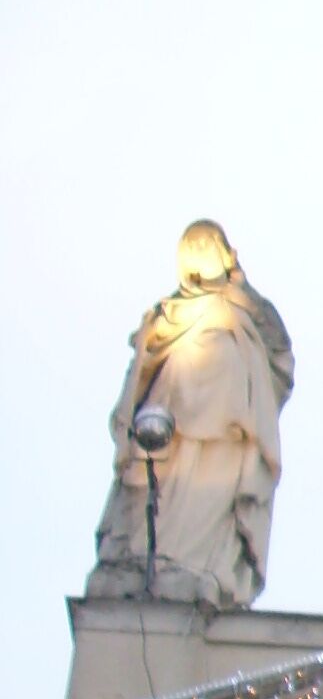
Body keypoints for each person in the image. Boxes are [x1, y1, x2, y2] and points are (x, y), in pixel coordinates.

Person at [87, 222, 295, 610]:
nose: (201, 253)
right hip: (173, 425)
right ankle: (147, 563)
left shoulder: (249, 309)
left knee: (210, 495)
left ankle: (199, 570)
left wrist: (242, 294)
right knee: (160, 488)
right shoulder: (167, 314)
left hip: (227, 430)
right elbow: (144, 367)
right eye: (193, 248)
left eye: (208, 246)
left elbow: (280, 358)